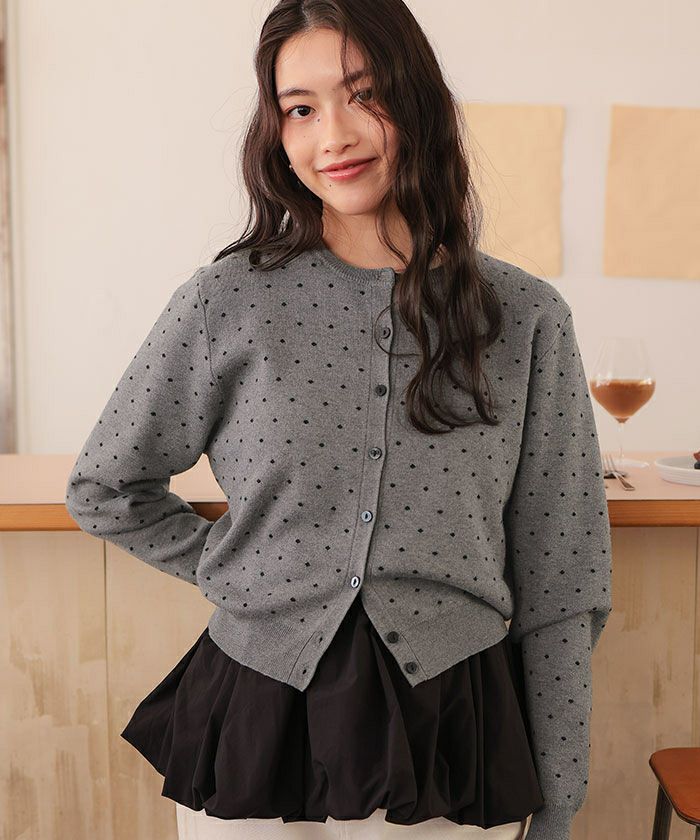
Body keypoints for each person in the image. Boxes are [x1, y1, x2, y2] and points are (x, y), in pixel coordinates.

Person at [65, 1, 613, 839]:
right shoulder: (226, 301)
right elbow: (106, 487)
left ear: (420, 100)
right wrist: (237, 565)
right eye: (300, 108)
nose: (335, 135)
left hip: (451, 731)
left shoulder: (526, 317)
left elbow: (563, 577)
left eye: (366, 94)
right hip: (252, 718)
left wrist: (561, 796)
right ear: (276, 133)